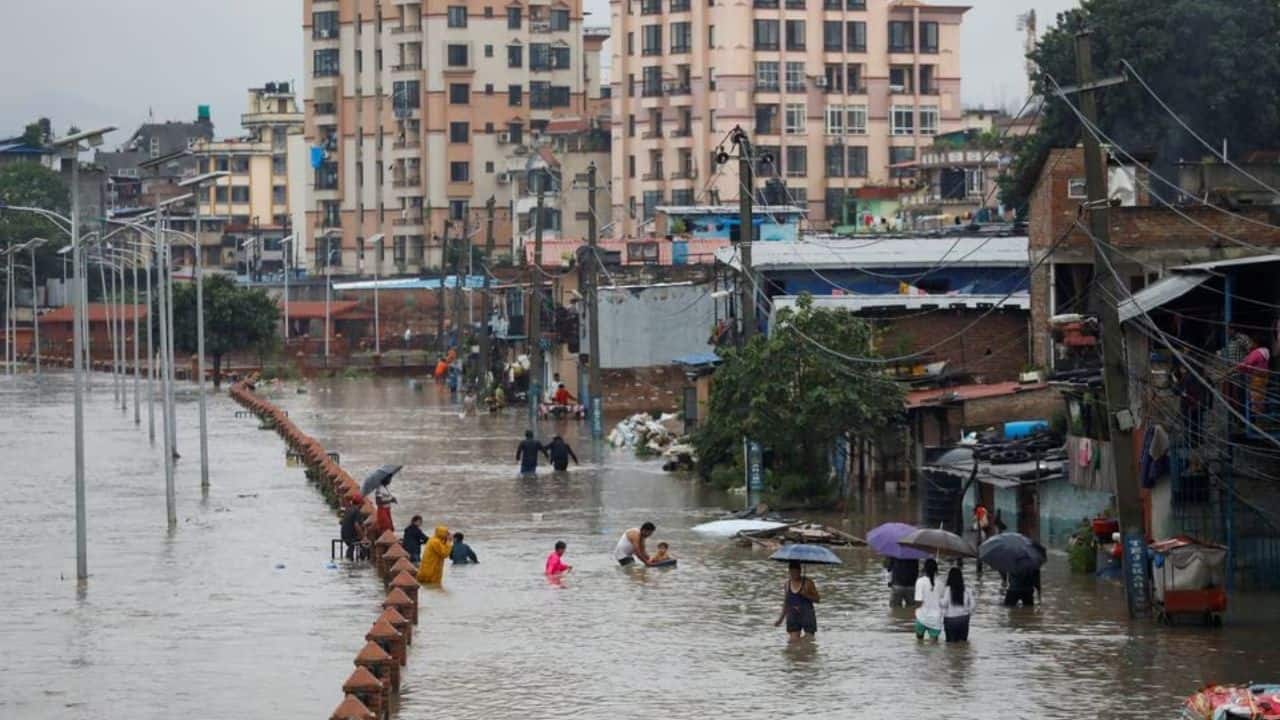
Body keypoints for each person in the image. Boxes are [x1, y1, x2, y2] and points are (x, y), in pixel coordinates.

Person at [774, 561, 819, 640]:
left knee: (809, 640)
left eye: (796, 572)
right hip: (793, 614)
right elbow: (786, 603)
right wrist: (780, 619)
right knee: (793, 642)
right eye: (792, 572)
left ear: (800, 571)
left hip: (807, 614)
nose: (794, 574)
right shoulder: (787, 584)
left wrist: (806, 595)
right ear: (789, 571)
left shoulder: (808, 583)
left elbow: (817, 599)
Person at [940, 567, 975, 642]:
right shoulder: (967, 589)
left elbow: (944, 603)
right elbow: (973, 605)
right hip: (964, 619)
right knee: (962, 643)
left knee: (950, 644)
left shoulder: (948, 589)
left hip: (950, 620)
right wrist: (967, 612)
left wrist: (939, 599)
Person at [913, 558, 943, 641]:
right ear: (936, 569)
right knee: (934, 648)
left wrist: (914, 608)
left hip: (921, 617)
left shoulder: (920, 581)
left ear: (924, 568)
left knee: (919, 645)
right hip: (935, 619)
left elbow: (919, 601)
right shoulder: (940, 583)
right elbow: (942, 600)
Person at [340, 494, 366, 561]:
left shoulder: (348, 509)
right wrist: (363, 537)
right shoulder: (357, 510)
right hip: (351, 537)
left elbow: (341, 522)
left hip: (343, 536)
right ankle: (362, 559)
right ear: (360, 503)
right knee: (365, 545)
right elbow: (356, 525)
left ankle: (350, 558)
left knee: (355, 543)